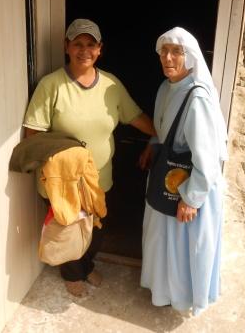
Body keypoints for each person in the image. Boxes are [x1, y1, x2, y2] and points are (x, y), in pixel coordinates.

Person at [23, 18, 156, 297]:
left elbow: (135, 117)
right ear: (66, 47)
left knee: (96, 229)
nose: (84, 50)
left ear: (100, 50)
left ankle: (86, 264)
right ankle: (72, 273)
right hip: (63, 181)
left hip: (98, 179)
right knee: (69, 229)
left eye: (91, 45)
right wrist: (61, 158)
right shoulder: (52, 85)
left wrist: (163, 135)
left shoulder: (111, 85)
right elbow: (32, 133)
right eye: (78, 44)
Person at [140, 26, 228, 316]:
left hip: (190, 185)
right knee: (163, 240)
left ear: (189, 56)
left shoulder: (197, 98)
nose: (168, 57)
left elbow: (208, 157)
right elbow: (163, 125)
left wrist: (192, 198)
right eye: (164, 51)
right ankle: (163, 292)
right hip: (169, 176)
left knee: (182, 247)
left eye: (176, 51)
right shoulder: (167, 87)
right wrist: (153, 145)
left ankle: (181, 298)